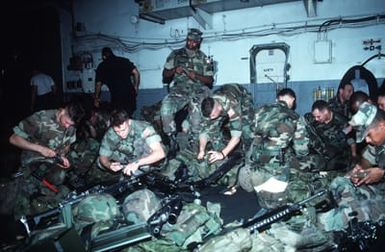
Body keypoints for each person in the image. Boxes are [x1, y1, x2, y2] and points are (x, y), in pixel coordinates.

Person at [8, 102, 85, 218]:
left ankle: (44, 209)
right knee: (50, 179)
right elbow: (13, 139)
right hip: (33, 158)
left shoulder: (71, 126)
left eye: (71, 125)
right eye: (67, 122)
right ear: (63, 110)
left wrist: (62, 156)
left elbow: (67, 145)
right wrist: (40, 149)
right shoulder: (41, 118)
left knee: (66, 173)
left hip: (52, 160)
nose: (67, 126)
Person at [318, 102, 385, 234]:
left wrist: (382, 173)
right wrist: (359, 171)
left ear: (382, 126)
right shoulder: (377, 142)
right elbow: (366, 161)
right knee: (339, 182)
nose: (367, 140)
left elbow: (380, 173)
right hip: (380, 190)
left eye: (369, 135)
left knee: (353, 214)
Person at [238, 88, 310, 206]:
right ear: (293, 100)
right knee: (276, 206)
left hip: (255, 164)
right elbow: (301, 150)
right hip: (276, 169)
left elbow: (248, 134)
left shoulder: (260, 110)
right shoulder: (296, 118)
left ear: (277, 99)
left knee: (262, 200)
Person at [160, 28, 214, 155]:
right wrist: (174, 70)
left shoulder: (203, 58)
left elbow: (210, 80)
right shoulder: (175, 55)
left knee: (196, 108)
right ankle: (171, 139)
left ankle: (194, 142)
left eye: (194, 42)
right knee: (166, 107)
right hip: (180, 89)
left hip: (198, 89)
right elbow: (165, 74)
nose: (191, 43)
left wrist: (196, 76)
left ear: (199, 42)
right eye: (189, 40)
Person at [98, 109, 166, 176]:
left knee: (154, 149)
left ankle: (146, 169)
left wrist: (137, 163)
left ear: (129, 121)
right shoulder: (110, 133)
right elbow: (103, 156)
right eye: (117, 132)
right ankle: (128, 171)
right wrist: (109, 165)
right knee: (99, 162)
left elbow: (160, 153)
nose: (121, 134)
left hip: (143, 155)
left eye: (123, 130)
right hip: (128, 157)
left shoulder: (143, 127)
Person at [198, 83, 254, 162]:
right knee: (212, 128)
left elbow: (236, 136)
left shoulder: (232, 105)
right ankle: (217, 152)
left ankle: (249, 155)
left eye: (213, 115)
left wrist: (222, 154)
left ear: (218, 107)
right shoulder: (209, 105)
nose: (211, 118)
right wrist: (201, 150)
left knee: (246, 129)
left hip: (243, 98)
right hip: (223, 97)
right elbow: (204, 131)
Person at [304, 100, 353, 172]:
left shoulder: (343, 124)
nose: (316, 119)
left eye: (318, 117)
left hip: (336, 157)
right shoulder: (314, 118)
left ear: (326, 112)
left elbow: (338, 146)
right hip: (318, 151)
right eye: (315, 116)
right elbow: (306, 118)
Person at [94, 47, 140, 117]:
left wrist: (96, 98)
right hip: (130, 94)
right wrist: (136, 87)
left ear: (103, 56)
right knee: (129, 115)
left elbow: (98, 84)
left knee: (119, 117)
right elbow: (136, 72)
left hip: (117, 96)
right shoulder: (124, 61)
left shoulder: (102, 66)